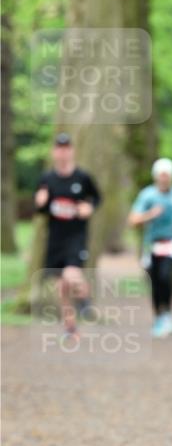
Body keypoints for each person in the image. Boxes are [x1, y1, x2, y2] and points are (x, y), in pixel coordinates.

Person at [34, 133, 102, 341]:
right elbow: (42, 210)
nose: (62, 152)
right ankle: (71, 329)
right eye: (59, 148)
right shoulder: (47, 179)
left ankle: (85, 303)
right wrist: (40, 203)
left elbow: (97, 198)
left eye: (66, 148)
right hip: (55, 239)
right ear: (54, 152)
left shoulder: (82, 177)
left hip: (76, 237)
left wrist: (89, 207)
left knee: (72, 275)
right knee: (62, 287)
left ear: (72, 151)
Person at [128, 158, 172, 338]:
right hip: (152, 244)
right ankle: (158, 316)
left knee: (166, 277)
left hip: (171, 243)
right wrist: (150, 214)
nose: (164, 179)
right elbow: (133, 220)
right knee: (155, 281)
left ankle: (168, 314)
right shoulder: (147, 195)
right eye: (161, 175)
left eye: (167, 175)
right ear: (156, 176)